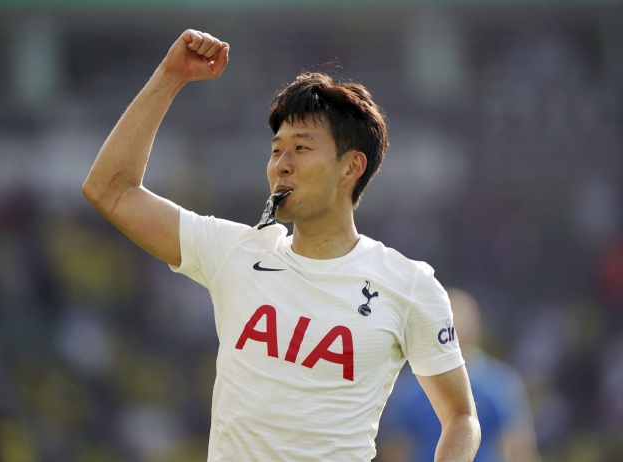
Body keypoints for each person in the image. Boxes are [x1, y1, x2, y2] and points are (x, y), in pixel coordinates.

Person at [82, 29, 481, 461]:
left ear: (351, 167)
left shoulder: (409, 285)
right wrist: (169, 76)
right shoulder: (237, 251)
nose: (281, 165)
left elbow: (461, 417)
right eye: (276, 151)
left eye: (301, 148)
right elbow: (111, 190)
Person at [376, 288, 541, 462]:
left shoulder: (500, 384)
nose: (455, 329)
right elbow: (395, 449)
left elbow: (519, 448)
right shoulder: (409, 388)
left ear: (476, 328)